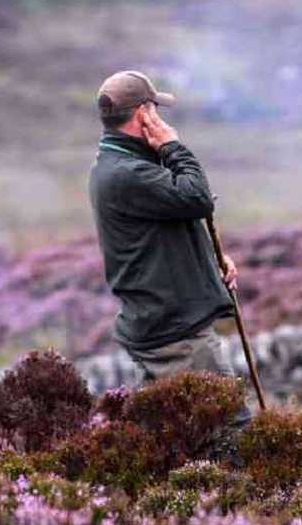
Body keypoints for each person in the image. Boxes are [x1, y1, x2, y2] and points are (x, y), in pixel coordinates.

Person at [88, 70, 246, 396]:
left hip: (166, 327)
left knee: (180, 432)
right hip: (177, 337)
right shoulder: (128, 173)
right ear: (143, 113)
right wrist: (173, 146)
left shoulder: (121, 164)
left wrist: (208, 262)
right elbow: (197, 198)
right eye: (154, 108)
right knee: (226, 427)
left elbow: (171, 219)